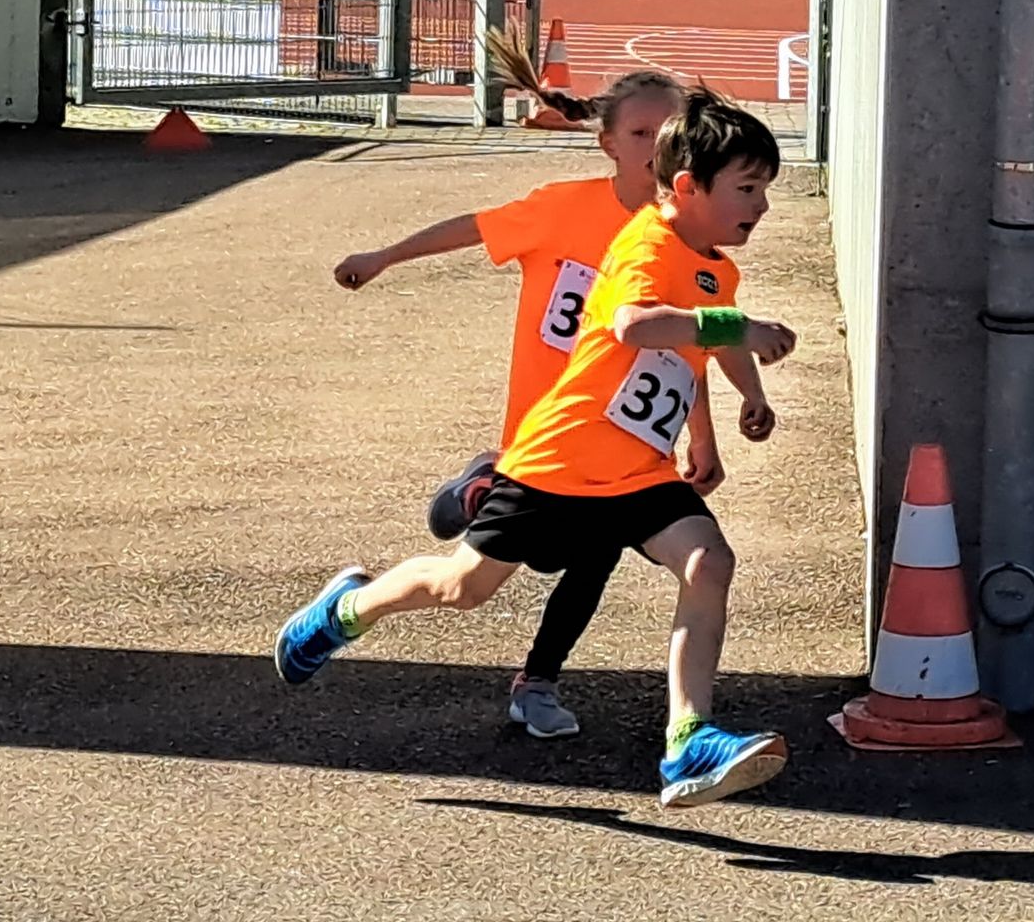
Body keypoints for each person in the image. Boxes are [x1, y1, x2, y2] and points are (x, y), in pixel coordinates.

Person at [281, 89, 798, 809]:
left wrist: (751, 392)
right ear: (687, 187)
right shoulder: (646, 244)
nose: (762, 206)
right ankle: (347, 609)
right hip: (559, 462)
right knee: (461, 589)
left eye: (765, 189)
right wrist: (738, 329)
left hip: (637, 474)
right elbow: (638, 325)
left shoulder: (715, 266)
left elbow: (709, 332)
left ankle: (688, 738)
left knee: (708, 562)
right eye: (747, 189)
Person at [331, 31, 691, 739]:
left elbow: (688, 343)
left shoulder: (684, 232)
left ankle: (539, 681)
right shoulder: (563, 209)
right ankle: (483, 486)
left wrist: (701, 437)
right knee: (530, 559)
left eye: (669, 134)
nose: (655, 148)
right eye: (640, 134)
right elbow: (473, 228)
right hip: (547, 433)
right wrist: (384, 257)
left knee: (594, 556)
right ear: (608, 144)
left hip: (624, 440)